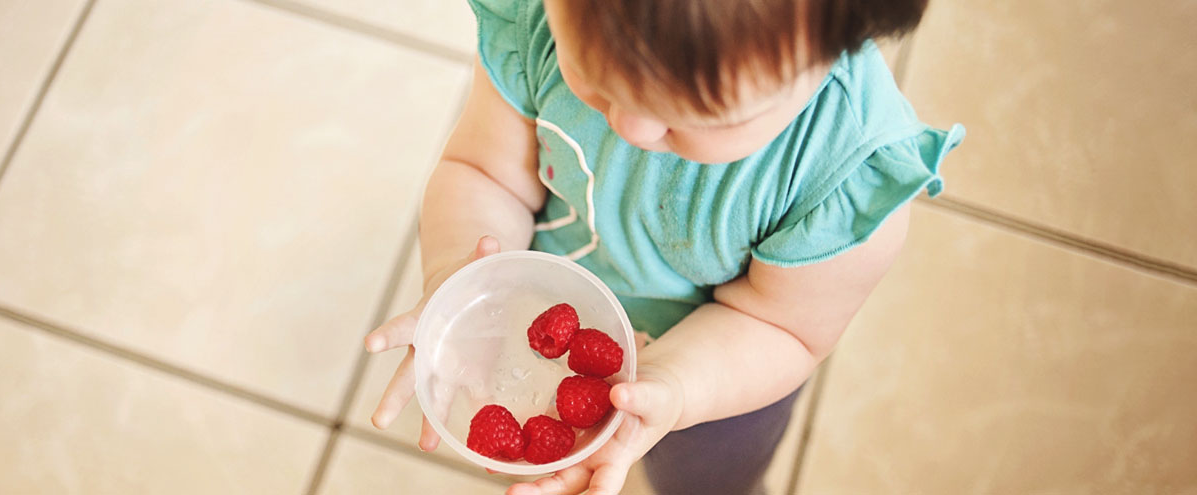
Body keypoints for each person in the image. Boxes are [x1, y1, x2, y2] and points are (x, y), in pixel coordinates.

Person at [365, 0, 964, 493]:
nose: (631, 127)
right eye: (596, 82)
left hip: (720, 379)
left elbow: (785, 328)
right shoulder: (538, 26)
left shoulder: (844, 174)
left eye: (694, 116)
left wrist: (676, 387)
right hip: (552, 315)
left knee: (707, 482)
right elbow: (485, 172)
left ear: (834, 47)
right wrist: (456, 276)